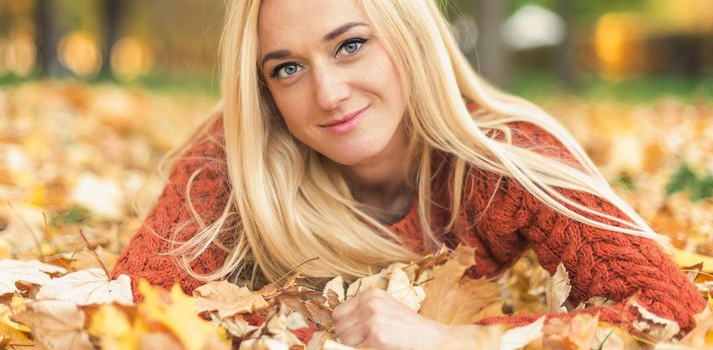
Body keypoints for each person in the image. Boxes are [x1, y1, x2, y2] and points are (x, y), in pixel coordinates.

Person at [113, 0, 705, 348]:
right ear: (264, 92)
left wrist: (451, 343)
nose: (329, 94)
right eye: (288, 68)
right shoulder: (237, 153)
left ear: (408, 36)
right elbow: (133, 309)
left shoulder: (507, 161)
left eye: (350, 46)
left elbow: (668, 312)